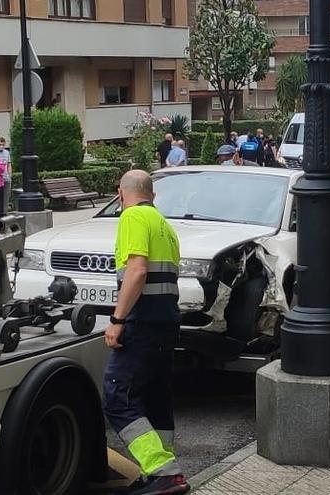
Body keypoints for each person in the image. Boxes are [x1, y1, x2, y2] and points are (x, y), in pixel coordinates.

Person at [103, 170, 189, 495]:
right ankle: (161, 472)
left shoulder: (132, 218)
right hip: (166, 321)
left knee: (117, 396)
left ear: (120, 194)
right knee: (155, 397)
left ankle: (163, 470)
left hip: (142, 322)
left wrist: (117, 319)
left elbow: (137, 271)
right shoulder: (164, 226)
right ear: (152, 195)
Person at [0, 137, 12, 210]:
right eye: (0, 144)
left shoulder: (7, 152)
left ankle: (4, 211)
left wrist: (10, 175)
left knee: (6, 195)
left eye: (3, 145)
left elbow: (9, 164)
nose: (1, 146)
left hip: (6, 177)